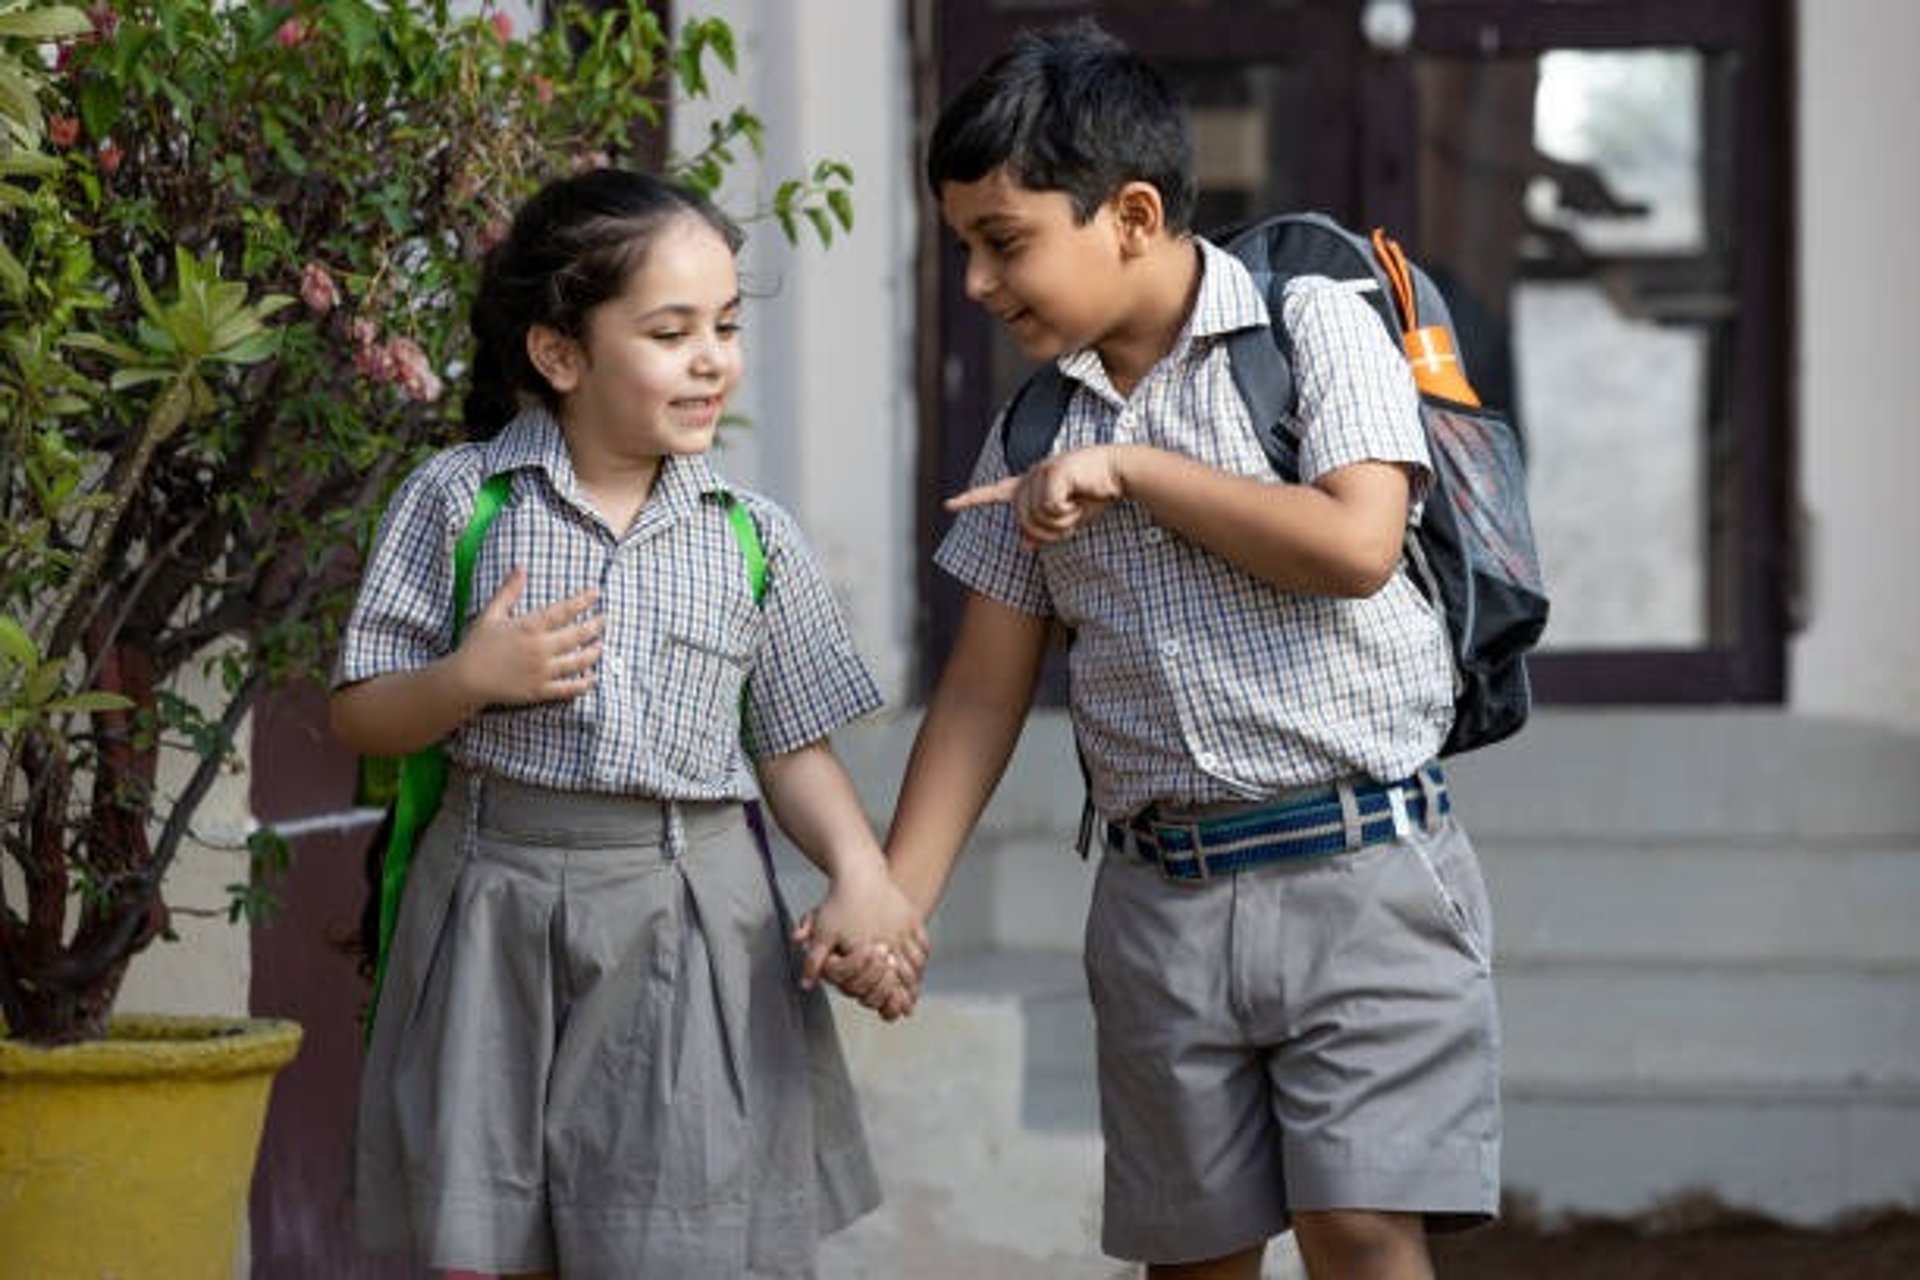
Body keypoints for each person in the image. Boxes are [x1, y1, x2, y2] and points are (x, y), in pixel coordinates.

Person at [876, 21, 1501, 1280]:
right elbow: (983, 695)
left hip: (1366, 870)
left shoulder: (1313, 326)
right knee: (1195, 1255)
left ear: (1132, 212)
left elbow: (1357, 542)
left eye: (1005, 243)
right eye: (963, 251)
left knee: (1362, 1231)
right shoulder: (1034, 422)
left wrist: (1139, 469)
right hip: (1161, 903)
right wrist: (894, 899)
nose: (981, 285)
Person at [330, 168, 925, 1280]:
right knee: (492, 1243)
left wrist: (862, 870)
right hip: (489, 901)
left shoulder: (752, 536)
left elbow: (792, 745)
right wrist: (468, 677)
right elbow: (363, 709)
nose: (713, 357)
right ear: (560, 353)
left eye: (727, 326)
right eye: (670, 330)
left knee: (673, 1241)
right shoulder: (460, 504)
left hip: (686, 914)